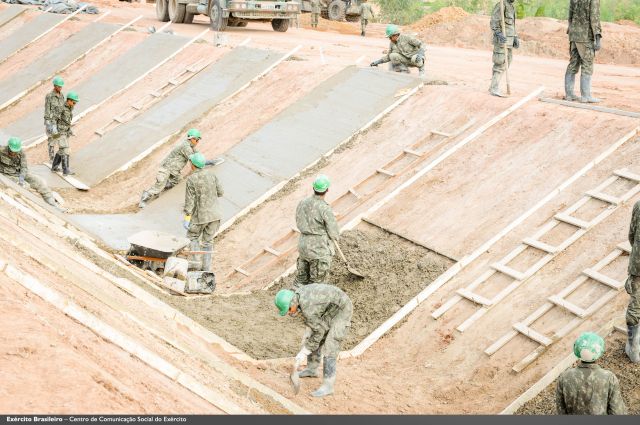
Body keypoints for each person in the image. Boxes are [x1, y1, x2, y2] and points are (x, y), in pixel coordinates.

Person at [275, 283, 353, 397]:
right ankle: (311, 369)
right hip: (330, 308)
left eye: (289, 309)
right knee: (313, 334)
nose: (290, 313)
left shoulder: (308, 308)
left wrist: (304, 351)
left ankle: (328, 386)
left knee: (331, 344)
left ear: (293, 302)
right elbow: (316, 330)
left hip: (342, 308)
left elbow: (319, 332)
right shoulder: (298, 296)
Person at [139, 129, 221, 208]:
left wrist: (211, 161)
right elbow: (195, 160)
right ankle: (143, 200)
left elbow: (198, 156)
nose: (198, 142)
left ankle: (164, 187)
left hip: (174, 171)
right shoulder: (186, 147)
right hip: (167, 168)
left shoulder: (190, 146)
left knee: (178, 182)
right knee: (159, 185)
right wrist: (210, 162)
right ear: (192, 139)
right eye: (197, 140)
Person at [556, 332, 627, 414]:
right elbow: (617, 412)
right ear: (599, 352)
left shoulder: (564, 377)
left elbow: (560, 410)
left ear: (577, 351)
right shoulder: (609, 378)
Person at [293, 174, 339, 287]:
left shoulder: (302, 203)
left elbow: (298, 220)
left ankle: (292, 303)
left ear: (313, 188)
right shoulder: (324, 208)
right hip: (318, 250)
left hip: (303, 246)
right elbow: (333, 232)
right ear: (327, 190)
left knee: (300, 281)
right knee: (317, 284)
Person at [182, 152, 224, 272]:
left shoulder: (191, 179)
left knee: (193, 237)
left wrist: (187, 218)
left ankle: (195, 264)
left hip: (200, 216)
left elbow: (189, 202)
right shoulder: (212, 174)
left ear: (193, 165)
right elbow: (221, 192)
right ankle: (206, 269)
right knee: (208, 242)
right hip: (215, 216)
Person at [0, 137, 59, 208]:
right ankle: (33, 205)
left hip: (19, 173)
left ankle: (52, 204)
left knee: (39, 182)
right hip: (7, 174)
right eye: (12, 151)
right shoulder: (1, 151)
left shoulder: (21, 153)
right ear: (8, 147)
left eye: (16, 151)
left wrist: (21, 178)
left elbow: (24, 167)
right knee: (25, 186)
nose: (14, 153)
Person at [564, 0, 602, 103]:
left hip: (574, 35)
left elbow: (570, 17)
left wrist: (571, 32)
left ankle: (569, 94)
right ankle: (586, 96)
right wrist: (597, 37)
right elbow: (594, 18)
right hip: (585, 37)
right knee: (587, 64)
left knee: (573, 63)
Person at [489, 0, 519, 97]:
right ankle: (494, 88)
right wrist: (498, 33)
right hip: (502, 41)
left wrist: (515, 36)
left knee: (508, 62)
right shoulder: (501, 5)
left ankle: (493, 85)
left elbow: (512, 24)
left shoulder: (511, 6)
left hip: (509, 41)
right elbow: (494, 21)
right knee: (500, 63)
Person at [625, 199, 640, 363]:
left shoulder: (639, 205)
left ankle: (634, 350)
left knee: (636, 304)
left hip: (639, 264)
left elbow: (632, 234)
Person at [50, 91, 79, 176]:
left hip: (65, 132)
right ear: (69, 101)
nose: (74, 104)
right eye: (74, 102)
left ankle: (54, 167)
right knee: (65, 149)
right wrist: (54, 130)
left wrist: (70, 131)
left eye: (75, 102)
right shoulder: (61, 107)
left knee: (61, 150)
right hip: (59, 132)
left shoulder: (69, 108)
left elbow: (66, 122)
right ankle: (65, 170)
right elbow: (54, 119)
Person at [44, 76, 65, 163]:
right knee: (52, 140)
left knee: (61, 139)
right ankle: (52, 159)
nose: (60, 88)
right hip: (52, 122)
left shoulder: (61, 95)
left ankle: (61, 157)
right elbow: (47, 110)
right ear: (55, 86)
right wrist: (48, 123)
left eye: (61, 86)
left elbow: (63, 108)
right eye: (59, 86)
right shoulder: (49, 96)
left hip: (59, 122)